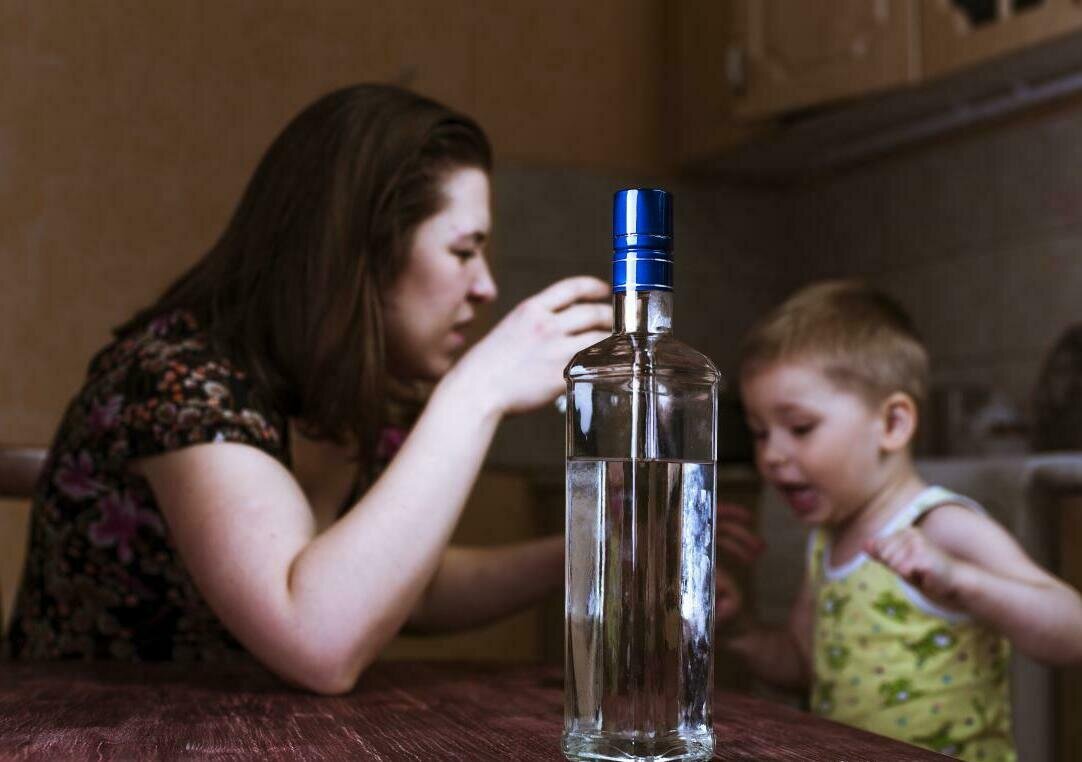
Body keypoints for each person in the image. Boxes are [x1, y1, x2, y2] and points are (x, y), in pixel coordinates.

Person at [7, 84, 615, 694]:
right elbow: (318, 637)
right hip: (90, 732)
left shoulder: (350, 397)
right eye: (463, 250)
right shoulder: (178, 381)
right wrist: (477, 390)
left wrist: (599, 547)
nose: (485, 286)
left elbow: (397, 581)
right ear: (358, 252)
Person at [718, 279, 1082, 761]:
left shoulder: (940, 524)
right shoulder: (825, 541)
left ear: (892, 424)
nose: (772, 456)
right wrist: (739, 628)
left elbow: (1071, 631)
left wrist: (964, 582)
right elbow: (804, 666)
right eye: (761, 433)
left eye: (800, 428)